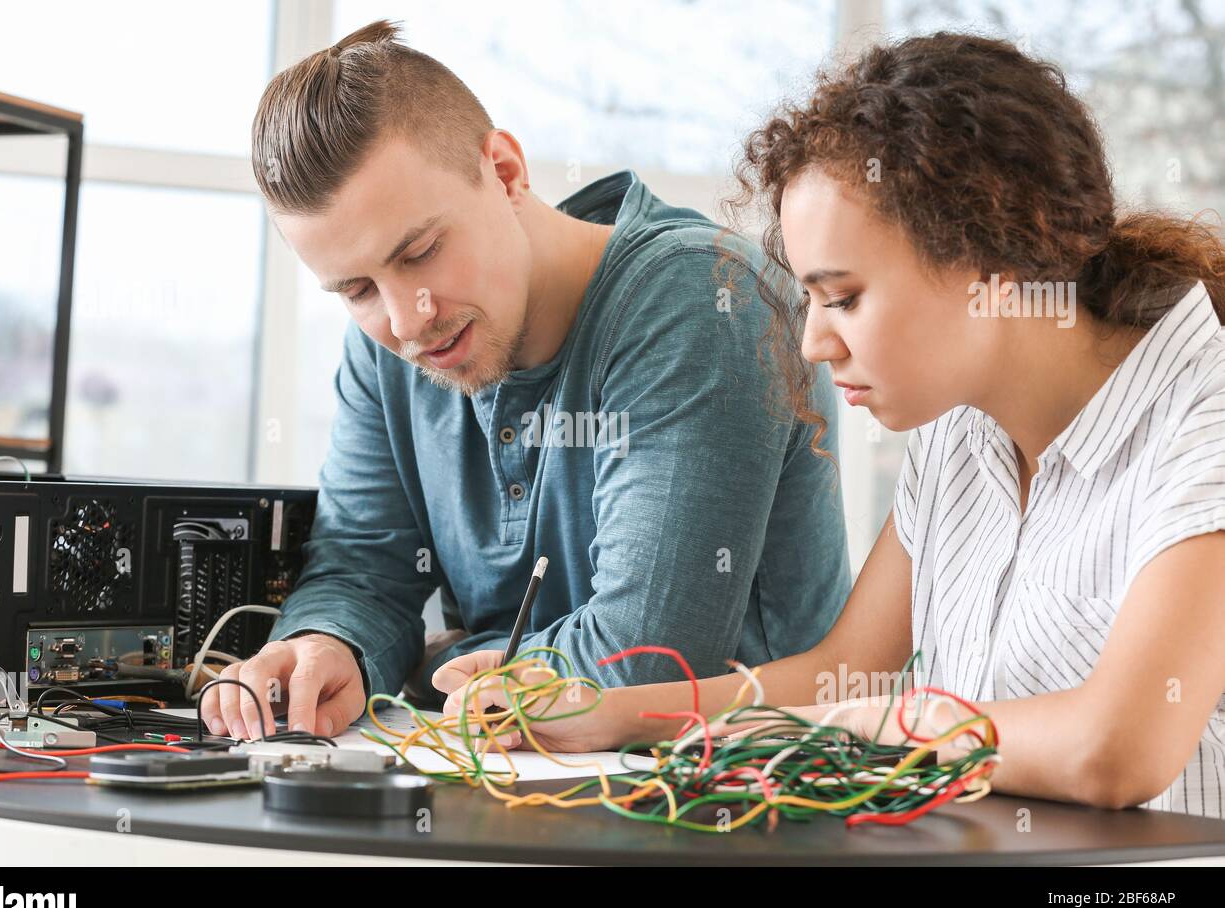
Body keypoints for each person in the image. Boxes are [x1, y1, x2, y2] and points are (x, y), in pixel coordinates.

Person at [435, 32, 1225, 816]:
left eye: (843, 297)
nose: (813, 341)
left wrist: (866, 729)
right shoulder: (960, 431)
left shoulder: (1202, 412)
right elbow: (847, 671)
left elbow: (1114, 750)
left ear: (997, 255)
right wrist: (601, 713)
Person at [199, 20, 851, 741]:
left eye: (420, 252)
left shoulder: (703, 297)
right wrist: (331, 646)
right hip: (512, 800)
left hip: (731, 812)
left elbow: (646, 659)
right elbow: (362, 568)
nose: (406, 322)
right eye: (355, 289)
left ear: (506, 172)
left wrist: (430, 664)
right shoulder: (388, 347)